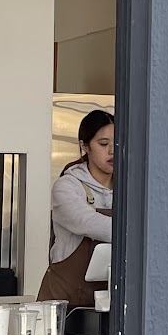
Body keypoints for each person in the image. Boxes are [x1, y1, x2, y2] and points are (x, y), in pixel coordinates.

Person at [39, 108, 113, 308]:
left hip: (104, 304)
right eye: (103, 144)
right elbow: (88, 222)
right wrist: (138, 234)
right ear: (84, 146)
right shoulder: (67, 186)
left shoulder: (128, 190)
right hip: (63, 303)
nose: (112, 151)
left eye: (117, 143)